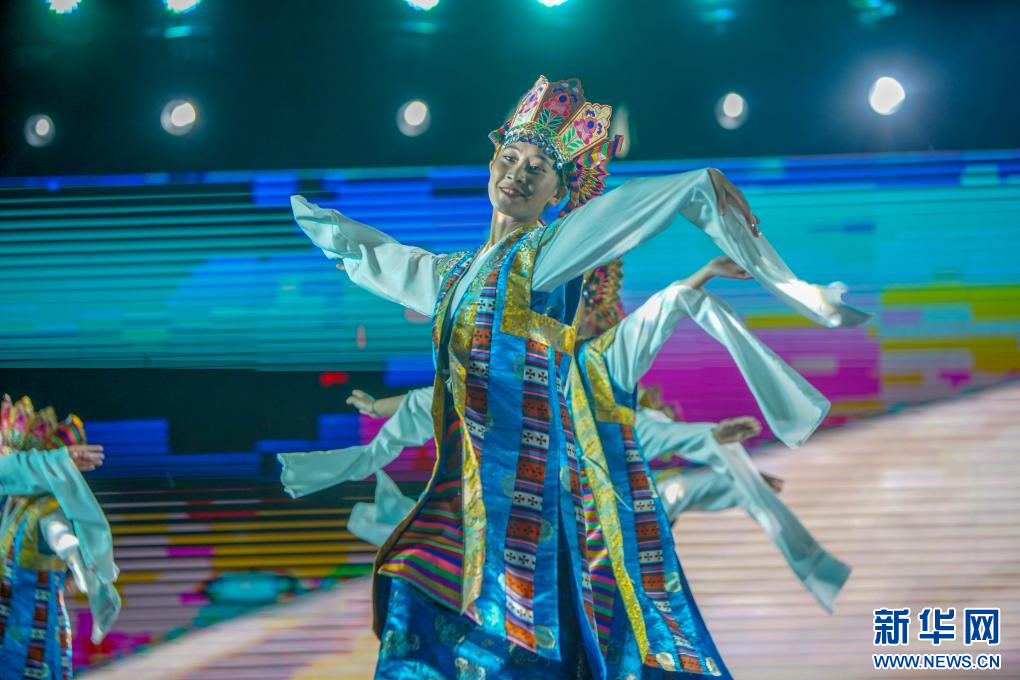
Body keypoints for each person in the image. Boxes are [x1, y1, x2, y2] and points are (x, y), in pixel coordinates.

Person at [291, 75, 867, 678]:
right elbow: (384, 261)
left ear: (557, 193)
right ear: (491, 164)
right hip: (459, 502)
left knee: (516, 645)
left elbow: (626, 211)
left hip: (525, 515)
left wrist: (696, 186)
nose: (517, 174)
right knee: (415, 600)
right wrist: (316, 221)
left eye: (537, 169)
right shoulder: (453, 275)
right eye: (510, 159)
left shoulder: (545, 257)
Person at [0, 395, 121, 679]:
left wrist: (82, 568)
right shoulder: (8, 506)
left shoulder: (43, 507)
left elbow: (61, 536)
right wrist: (60, 462)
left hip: (31, 625)